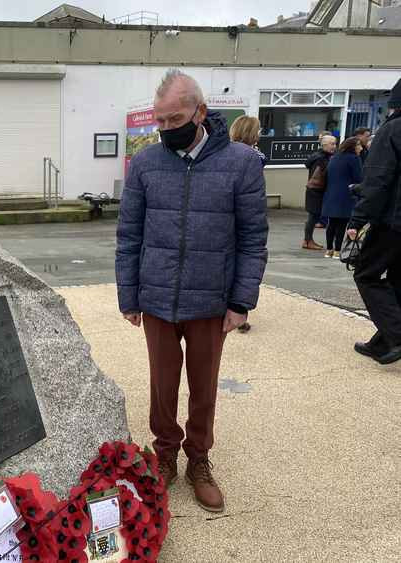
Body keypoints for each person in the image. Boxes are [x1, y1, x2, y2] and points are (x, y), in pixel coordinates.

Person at [116, 69, 268, 513]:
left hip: (210, 300)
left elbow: (253, 237)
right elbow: (129, 235)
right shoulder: (145, 163)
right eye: (159, 121)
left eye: (174, 119)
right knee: (162, 386)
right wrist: (129, 296)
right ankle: (164, 455)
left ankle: (198, 459)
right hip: (158, 299)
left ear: (200, 112)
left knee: (203, 388)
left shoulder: (242, 163)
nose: (165, 129)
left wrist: (241, 301)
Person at [347, 77, 401, 365]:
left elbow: (378, 180)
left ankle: (396, 334)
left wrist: (357, 219)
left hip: (392, 221)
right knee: (397, 282)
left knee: (366, 273)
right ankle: (382, 344)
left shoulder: (392, 131)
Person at [229, 115, 267, 333]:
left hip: (226, 214)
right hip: (245, 213)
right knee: (246, 258)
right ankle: (239, 310)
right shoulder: (254, 156)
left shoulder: (223, 153)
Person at [322, 137, 363, 258]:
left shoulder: (334, 157)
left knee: (331, 223)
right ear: (352, 147)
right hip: (346, 195)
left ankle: (329, 249)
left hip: (331, 194)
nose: (360, 148)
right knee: (342, 224)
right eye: (359, 146)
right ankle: (337, 250)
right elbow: (358, 178)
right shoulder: (354, 159)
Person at [303, 135, 337, 249]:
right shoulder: (321, 158)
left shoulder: (321, 156)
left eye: (335, 144)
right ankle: (308, 241)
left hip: (315, 190)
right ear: (324, 145)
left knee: (313, 216)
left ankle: (308, 240)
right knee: (313, 217)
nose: (334, 147)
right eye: (332, 144)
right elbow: (318, 176)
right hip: (316, 191)